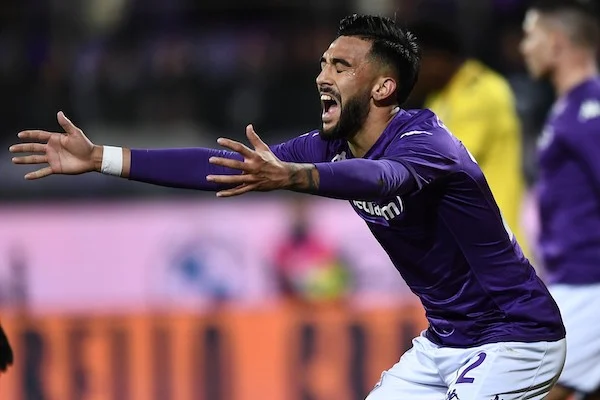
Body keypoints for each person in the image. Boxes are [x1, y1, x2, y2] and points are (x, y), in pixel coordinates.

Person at [10, 14, 566, 399]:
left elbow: (383, 178)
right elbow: (222, 165)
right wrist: (100, 157)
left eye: (341, 66)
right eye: (324, 63)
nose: (322, 76)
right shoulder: (329, 146)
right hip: (448, 340)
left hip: (516, 336)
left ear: (382, 88)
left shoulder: (427, 143)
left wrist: (296, 176)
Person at [520, 1, 600, 399]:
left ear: (555, 43)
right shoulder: (567, 107)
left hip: (588, 284)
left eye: (530, 36)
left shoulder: (590, 109)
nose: (523, 47)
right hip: (574, 280)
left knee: (527, 392)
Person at [410, 22, 530, 260]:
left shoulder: (481, 92)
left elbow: (444, 161)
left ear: (437, 59)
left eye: (414, 65)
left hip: (495, 244)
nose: (410, 75)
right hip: (466, 240)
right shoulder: (440, 98)